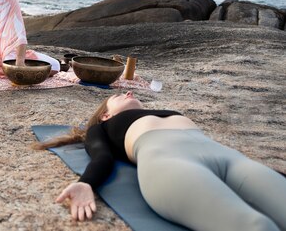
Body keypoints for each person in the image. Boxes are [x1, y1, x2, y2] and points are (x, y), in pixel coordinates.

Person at [36, 91, 286, 231]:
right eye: (118, 95)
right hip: (171, 165)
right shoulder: (104, 127)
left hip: (230, 159)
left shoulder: (160, 112)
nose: (127, 91)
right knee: (257, 226)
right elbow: (102, 156)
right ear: (105, 115)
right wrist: (86, 183)